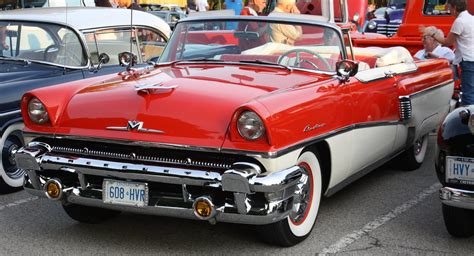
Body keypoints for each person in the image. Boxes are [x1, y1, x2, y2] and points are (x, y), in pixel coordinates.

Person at [420, 0, 474, 105]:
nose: (449, 10)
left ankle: (469, 120)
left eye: (449, 8)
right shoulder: (471, 18)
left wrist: (432, 33)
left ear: (454, 7)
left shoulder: (460, 21)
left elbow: (447, 42)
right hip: (471, 58)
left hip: (467, 60)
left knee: (468, 96)